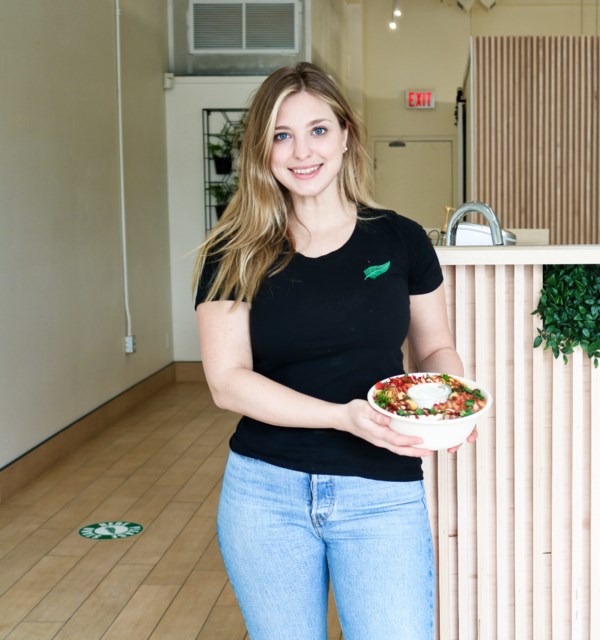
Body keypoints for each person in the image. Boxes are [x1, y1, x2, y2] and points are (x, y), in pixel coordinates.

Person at [193, 61, 471, 640]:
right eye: (281, 135)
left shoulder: (400, 238)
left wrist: (452, 402)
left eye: (318, 130)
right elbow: (227, 381)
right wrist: (340, 417)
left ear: (346, 136)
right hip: (265, 493)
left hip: (380, 489)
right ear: (262, 149)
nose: (302, 152)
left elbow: (436, 347)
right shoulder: (235, 250)